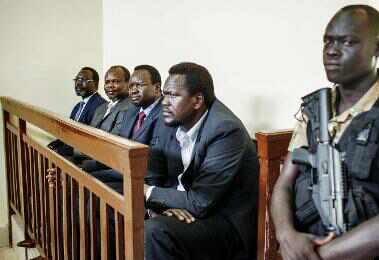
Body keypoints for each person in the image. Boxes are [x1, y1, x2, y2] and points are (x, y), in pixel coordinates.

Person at [271, 5, 379, 260]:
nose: (331, 51)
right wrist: (287, 236)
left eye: (347, 42)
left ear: (376, 48)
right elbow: (284, 184)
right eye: (328, 41)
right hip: (304, 245)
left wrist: (323, 254)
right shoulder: (315, 110)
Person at [143, 62, 259, 260]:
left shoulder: (225, 130)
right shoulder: (172, 119)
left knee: (155, 232)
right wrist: (157, 205)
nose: (164, 101)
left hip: (225, 223)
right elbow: (155, 171)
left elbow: (201, 201)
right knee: (119, 203)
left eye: (173, 95)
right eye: (164, 93)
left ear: (197, 100)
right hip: (189, 206)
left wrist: (148, 192)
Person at [83, 64, 162, 180]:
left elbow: (152, 168)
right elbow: (119, 149)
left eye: (139, 85)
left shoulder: (165, 113)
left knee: (88, 182)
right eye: (131, 86)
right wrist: (89, 166)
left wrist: (96, 175)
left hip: (145, 180)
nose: (133, 91)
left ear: (157, 87)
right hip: (123, 170)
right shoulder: (132, 111)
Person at [48, 67, 106, 156]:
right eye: (76, 80)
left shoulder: (100, 105)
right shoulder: (78, 106)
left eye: (83, 80)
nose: (78, 84)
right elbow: (68, 133)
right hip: (71, 149)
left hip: (82, 154)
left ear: (95, 84)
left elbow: (89, 139)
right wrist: (54, 145)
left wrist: (61, 151)